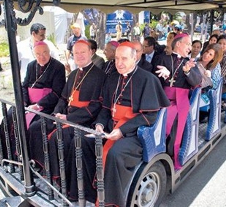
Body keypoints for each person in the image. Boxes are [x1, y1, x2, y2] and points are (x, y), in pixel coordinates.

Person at [93, 41, 170, 207]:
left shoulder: (147, 79)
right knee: (85, 142)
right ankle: (92, 191)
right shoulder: (112, 78)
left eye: (124, 58)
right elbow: (106, 108)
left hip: (136, 132)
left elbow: (149, 116)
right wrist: (99, 124)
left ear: (135, 59)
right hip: (111, 126)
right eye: (117, 58)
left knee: (114, 153)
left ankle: (111, 201)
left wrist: (122, 130)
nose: (119, 63)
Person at [28, 41, 106, 202]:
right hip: (65, 116)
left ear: (91, 52)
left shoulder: (100, 76)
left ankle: (60, 181)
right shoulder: (73, 74)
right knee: (37, 127)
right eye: (76, 53)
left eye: (83, 52)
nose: (79, 56)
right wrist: (56, 113)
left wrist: (69, 119)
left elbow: (96, 106)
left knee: (58, 138)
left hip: (84, 121)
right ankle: (42, 170)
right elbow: (64, 98)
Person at [0, 41, 66, 159]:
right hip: (28, 104)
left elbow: (57, 93)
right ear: (34, 54)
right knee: (10, 114)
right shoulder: (31, 65)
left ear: (49, 52)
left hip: (46, 106)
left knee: (33, 124)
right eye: (38, 54)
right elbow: (24, 86)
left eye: (45, 52)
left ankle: (28, 157)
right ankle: (9, 154)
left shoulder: (58, 67)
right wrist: (24, 103)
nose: (42, 56)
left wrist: (38, 105)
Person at [154, 33, 202, 169]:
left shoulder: (191, 63)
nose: (190, 47)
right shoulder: (162, 58)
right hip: (161, 99)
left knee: (175, 129)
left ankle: (171, 158)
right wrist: (163, 76)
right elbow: (153, 80)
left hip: (180, 101)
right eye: (188, 44)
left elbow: (197, 82)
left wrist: (187, 72)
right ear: (179, 44)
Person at [197, 44, 222, 121]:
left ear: (214, 57)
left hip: (206, 94)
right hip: (193, 89)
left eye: (210, 54)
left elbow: (216, 85)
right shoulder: (196, 61)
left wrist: (209, 77)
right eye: (207, 52)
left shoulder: (215, 66)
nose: (206, 55)